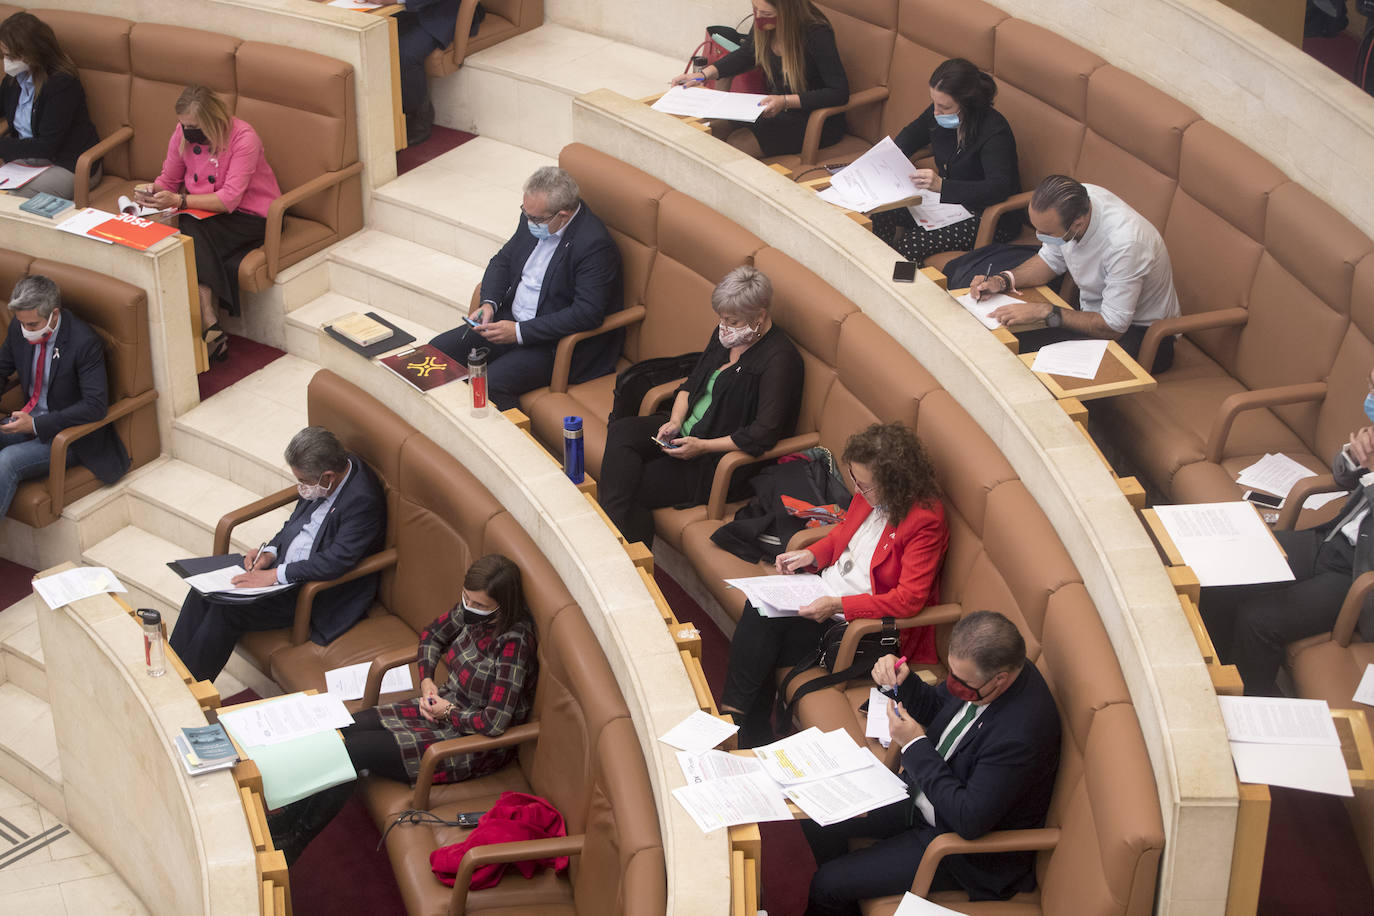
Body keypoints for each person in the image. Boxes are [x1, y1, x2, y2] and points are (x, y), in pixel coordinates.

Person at [268, 554, 537, 864]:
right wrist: (426, 681)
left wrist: (448, 712)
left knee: (355, 751)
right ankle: (289, 818)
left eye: (479, 606)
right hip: (439, 707)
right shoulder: (471, 611)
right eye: (466, 599)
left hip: (472, 742)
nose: (469, 609)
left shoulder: (514, 644)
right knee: (342, 728)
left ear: (503, 605)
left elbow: (495, 721)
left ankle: (296, 839)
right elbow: (431, 636)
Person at [803, 611, 1061, 914]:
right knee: (817, 815)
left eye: (962, 684)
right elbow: (940, 706)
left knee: (827, 884)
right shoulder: (987, 671)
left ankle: (846, 884)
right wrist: (905, 681)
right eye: (950, 674)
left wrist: (913, 743)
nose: (952, 686)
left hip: (959, 847)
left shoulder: (1021, 735)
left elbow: (968, 819)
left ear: (1000, 680)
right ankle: (854, 884)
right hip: (924, 793)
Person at [720, 421, 949, 747]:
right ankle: (743, 727)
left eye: (865, 486)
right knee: (760, 611)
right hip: (824, 593)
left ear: (895, 482)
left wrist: (838, 605)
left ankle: (739, 724)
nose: (858, 491)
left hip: (860, 625)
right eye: (854, 479)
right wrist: (808, 555)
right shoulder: (869, 493)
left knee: (762, 634)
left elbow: (909, 600)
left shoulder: (925, 519)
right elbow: (842, 536)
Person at [598, 266, 802, 547]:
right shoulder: (727, 336)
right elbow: (690, 385)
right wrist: (676, 421)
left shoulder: (780, 360)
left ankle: (618, 549)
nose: (725, 327)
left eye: (733, 321)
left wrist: (702, 446)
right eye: (722, 319)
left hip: (714, 458)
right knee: (621, 431)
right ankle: (623, 548)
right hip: (688, 430)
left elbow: (763, 433)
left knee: (627, 485)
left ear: (760, 316)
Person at [1202, 368, 1374, 695]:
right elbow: (1342, 476)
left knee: (1259, 621)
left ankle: (1249, 703)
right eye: (1370, 387)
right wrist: (1354, 456)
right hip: (1329, 541)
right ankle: (1216, 675)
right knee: (1222, 572)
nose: (1370, 398)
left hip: (1357, 575)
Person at [168, 426, 385, 682]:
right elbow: (294, 524)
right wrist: (270, 552)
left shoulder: (363, 501)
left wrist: (275, 575)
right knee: (203, 590)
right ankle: (172, 675)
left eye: (304, 482)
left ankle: (191, 693)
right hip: (281, 569)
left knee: (226, 610)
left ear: (328, 477)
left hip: (311, 590)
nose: (301, 488)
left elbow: (336, 561)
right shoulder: (326, 475)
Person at [430, 166, 623, 410]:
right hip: (508, 322)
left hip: (552, 343)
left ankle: (505, 445)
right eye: (525, 212)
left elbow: (587, 313)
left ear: (562, 215)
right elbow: (503, 261)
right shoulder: (536, 216)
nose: (528, 221)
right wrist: (489, 303)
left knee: (487, 385)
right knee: (435, 355)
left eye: (535, 218)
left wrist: (520, 332)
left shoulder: (594, 245)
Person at [969, 175, 1181, 372]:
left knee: (1034, 363)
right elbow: (1048, 261)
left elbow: (1113, 327)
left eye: (1047, 233)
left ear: (1078, 224)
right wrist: (1002, 280)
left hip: (1143, 336)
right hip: (1094, 315)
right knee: (1005, 342)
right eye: (1037, 230)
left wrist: (1045, 311)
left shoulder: (1126, 245)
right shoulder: (1075, 202)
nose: (1040, 238)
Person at [133, 85, 282, 363]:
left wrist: (181, 201)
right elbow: (169, 176)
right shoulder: (182, 134)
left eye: (193, 126)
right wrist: (151, 193)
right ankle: (208, 321)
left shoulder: (243, 138)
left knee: (189, 229)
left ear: (214, 120)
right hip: (202, 213)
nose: (187, 132)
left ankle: (207, 319)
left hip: (250, 216)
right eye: (183, 125)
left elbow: (229, 200)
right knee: (186, 231)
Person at [0, 275, 129, 517]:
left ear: (54, 315)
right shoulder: (20, 329)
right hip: (26, 421)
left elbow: (95, 406)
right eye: (21, 324)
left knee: (6, 461)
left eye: (32, 325)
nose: (25, 331)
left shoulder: (84, 343)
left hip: (67, 436)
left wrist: (37, 424)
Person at [869, 58, 1020, 264]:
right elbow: (911, 135)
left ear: (968, 104)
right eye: (934, 103)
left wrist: (943, 186)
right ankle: (874, 269)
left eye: (944, 107)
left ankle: (898, 289)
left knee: (910, 244)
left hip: (986, 216)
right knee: (881, 211)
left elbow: (998, 187)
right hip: (945, 203)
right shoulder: (939, 114)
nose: (936, 113)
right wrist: (884, 160)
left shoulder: (994, 131)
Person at [671, 0, 849, 159]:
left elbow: (839, 92)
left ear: (787, 10)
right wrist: (703, 74)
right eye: (754, 9)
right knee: (712, 132)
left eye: (766, 14)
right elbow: (746, 55)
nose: (758, 18)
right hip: (773, 107)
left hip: (813, 119)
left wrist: (785, 101)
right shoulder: (764, 24)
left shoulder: (817, 33)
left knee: (738, 144)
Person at [0, 12, 101, 201]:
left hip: (69, 163)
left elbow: (46, 147)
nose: (6, 62)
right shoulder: (13, 80)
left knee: (9, 199)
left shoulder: (62, 84)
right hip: (26, 161)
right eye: (4, 55)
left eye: (11, 56)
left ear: (32, 52)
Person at [393, 0, 485, 146]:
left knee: (403, 53)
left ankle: (419, 114)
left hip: (445, 12)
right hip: (402, 11)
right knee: (377, 36)